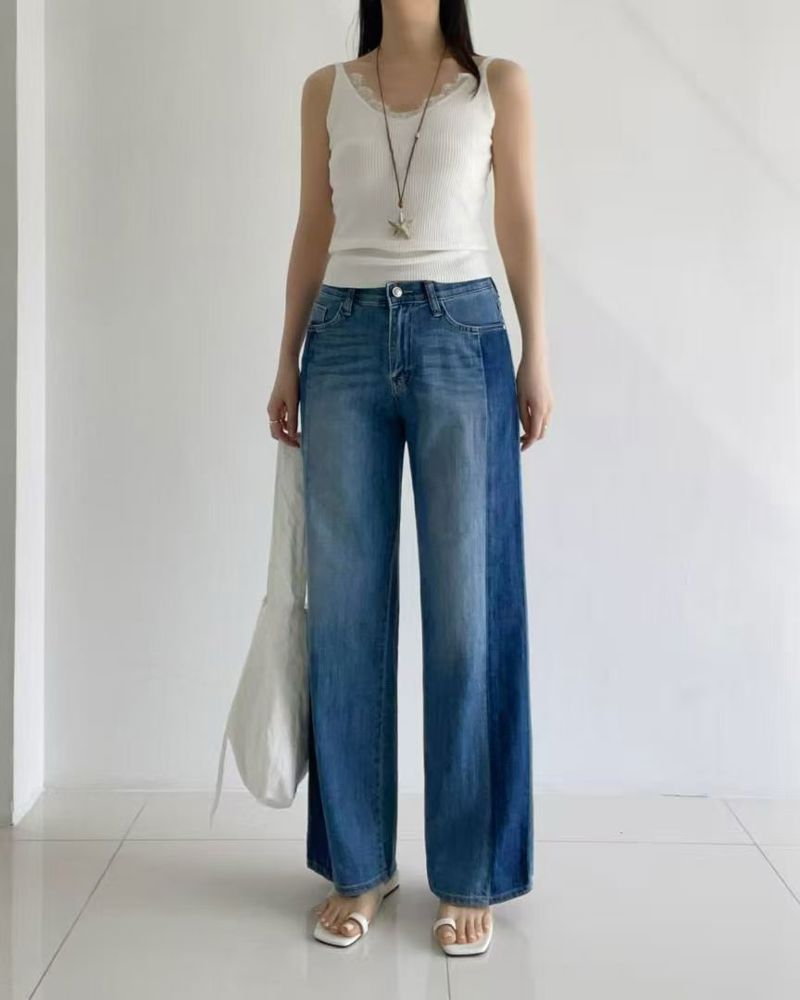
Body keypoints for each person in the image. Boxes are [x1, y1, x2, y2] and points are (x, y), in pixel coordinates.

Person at [267, 0, 553, 955]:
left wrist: (537, 353)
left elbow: (518, 221)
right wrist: (285, 360)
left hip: (461, 334)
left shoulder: (495, 85)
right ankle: (360, 865)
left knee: (468, 615)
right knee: (346, 616)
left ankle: (470, 872)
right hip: (342, 340)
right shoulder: (325, 90)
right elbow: (315, 224)